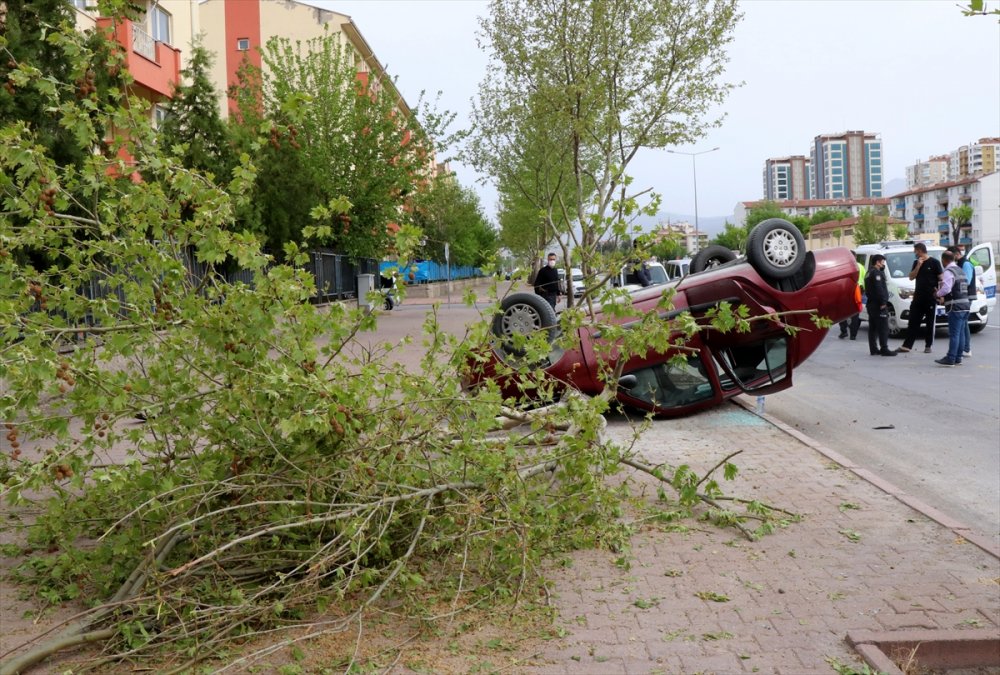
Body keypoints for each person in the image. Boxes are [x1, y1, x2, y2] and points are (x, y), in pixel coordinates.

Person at [896, 242, 943, 354]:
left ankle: (928, 345)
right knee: (913, 321)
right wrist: (918, 266)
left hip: (930, 298)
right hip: (918, 297)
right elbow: (911, 277)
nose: (914, 253)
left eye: (915, 251)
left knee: (930, 323)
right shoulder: (916, 262)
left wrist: (940, 294)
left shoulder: (934, 262)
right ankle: (907, 346)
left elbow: (941, 279)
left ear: (920, 250)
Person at [934, 250, 970, 367]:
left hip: (955, 306)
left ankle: (950, 358)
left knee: (954, 334)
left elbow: (946, 289)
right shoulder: (960, 270)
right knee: (961, 334)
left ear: (943, 260)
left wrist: (937, 294)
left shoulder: (949, 272)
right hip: (965, 305)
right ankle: (958, 358)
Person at [947, 245, 976, 359]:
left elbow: (966, 281)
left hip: (966, 297)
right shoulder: (959, 263)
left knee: (963, 325)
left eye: (951, 256)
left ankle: (966, 348)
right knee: (962, 325)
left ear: (956, 254)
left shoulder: (966, 264)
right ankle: (963, 349)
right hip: (963, 298)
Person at [864, 254, 896, 357]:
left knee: (873, 328)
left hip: (871, 304)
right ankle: (884, 349)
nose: (883, 264)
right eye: (882, 262)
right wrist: (883, 302)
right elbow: (879, 288)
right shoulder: (876, 273)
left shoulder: (869, 272)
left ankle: (873, 349)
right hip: (878, 305)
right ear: (877, 262)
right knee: (883, 327)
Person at [838, 256, 865, 340]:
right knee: (855, 313)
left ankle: (844, 331)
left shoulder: (844, 266)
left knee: (842, 312)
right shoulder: (861, 266)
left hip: (846, 291)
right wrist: (863, 291)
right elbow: (864, 280)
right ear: (855, 257)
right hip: (858, 291)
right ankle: (853, 335)